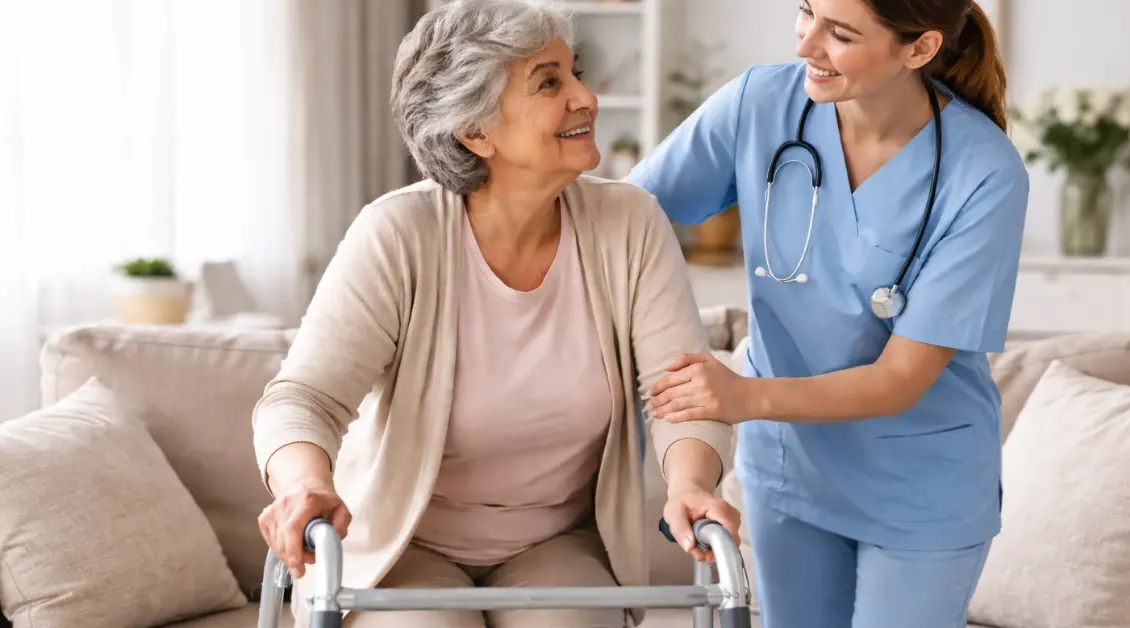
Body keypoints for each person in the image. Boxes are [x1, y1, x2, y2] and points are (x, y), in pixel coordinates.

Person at [252, 1, 739, 627]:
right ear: (475, 131)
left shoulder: (631, 224)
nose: (586, 98)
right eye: (550, 82)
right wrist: (302, 486)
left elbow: (682, 392)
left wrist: (690, 485)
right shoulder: (398, 235)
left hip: (556, 544)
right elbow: (303, 398)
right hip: (404, 546)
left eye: (575, 72)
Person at [629, 0, 1029, 626]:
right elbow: (626, 219)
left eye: (839, 33)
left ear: (919, 49)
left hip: (919, 486)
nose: (806, 45)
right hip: (788, 471)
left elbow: (901, 378)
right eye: (806, 12)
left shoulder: (982, 173)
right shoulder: (761, 103)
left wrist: (741, 397)